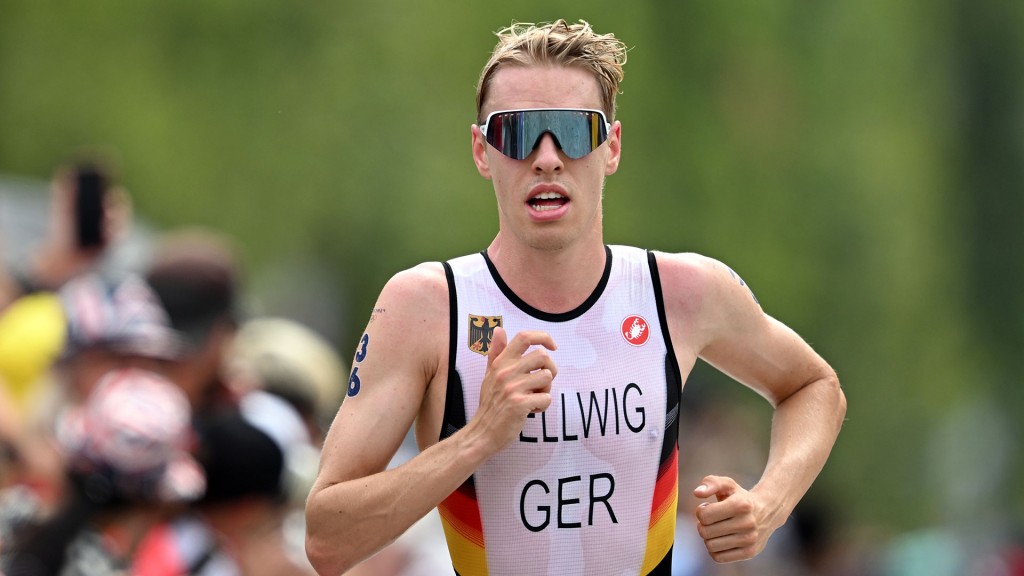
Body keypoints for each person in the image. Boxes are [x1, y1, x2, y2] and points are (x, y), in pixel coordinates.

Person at [305, 19, 847, 576]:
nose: (546, 158)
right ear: (481, 150)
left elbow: (814, 386)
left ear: (611, 147)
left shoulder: (680, 290)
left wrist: (769, 505)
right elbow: (326, 541)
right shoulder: (427, 306)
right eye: (517, 132)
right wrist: (477, 439)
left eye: (572, 131)